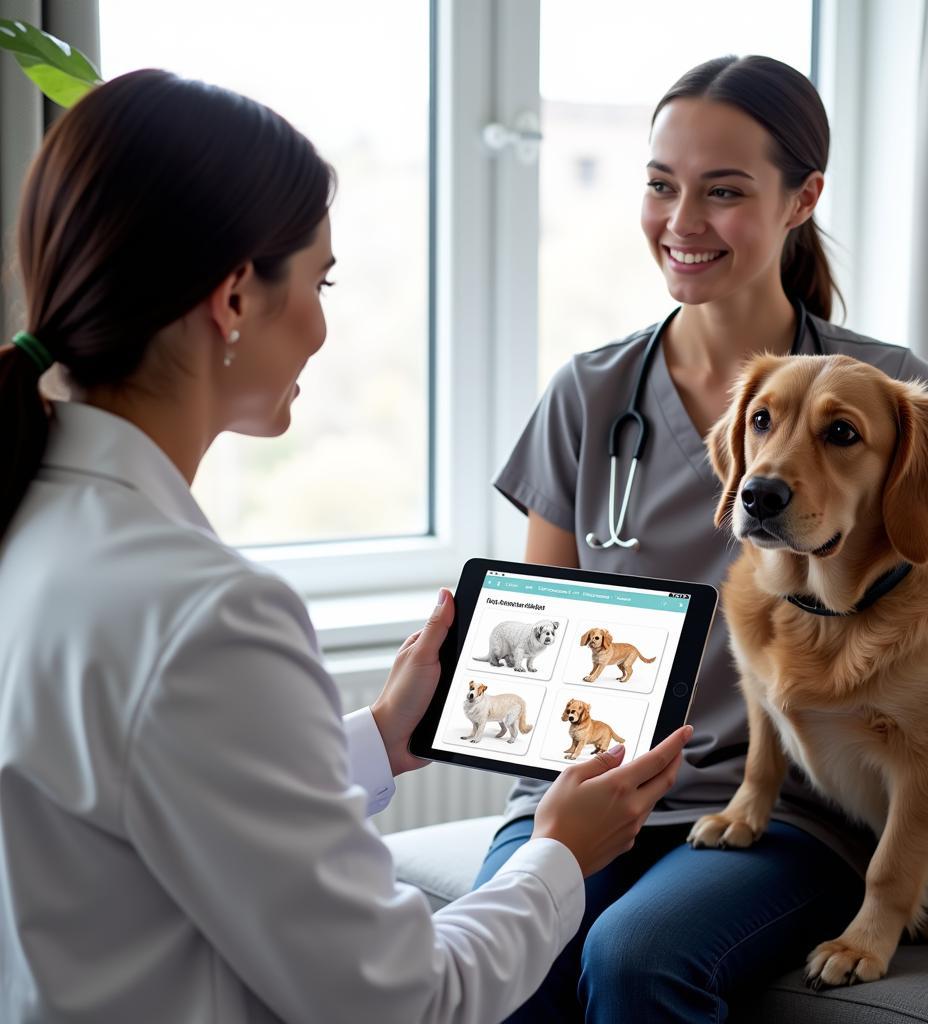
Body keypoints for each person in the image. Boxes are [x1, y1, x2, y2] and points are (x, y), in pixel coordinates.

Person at [0, 69, 694, 1024]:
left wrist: (375, 740)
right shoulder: (208, 612)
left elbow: (143, 787)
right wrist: (558, 854)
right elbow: (408, 1000)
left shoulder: (34, 532)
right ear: (236, 297)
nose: (325, 326)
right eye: (320, 281)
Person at [475, 54, 928, 1022]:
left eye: (722, 192)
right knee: (506, 954)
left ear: (800, 198)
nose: (681, 222)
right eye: (659, 185)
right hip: (599, 785)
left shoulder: (887, 384)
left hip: (794, 811)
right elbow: (541, 648)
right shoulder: (589, 395)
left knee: (637, 958)